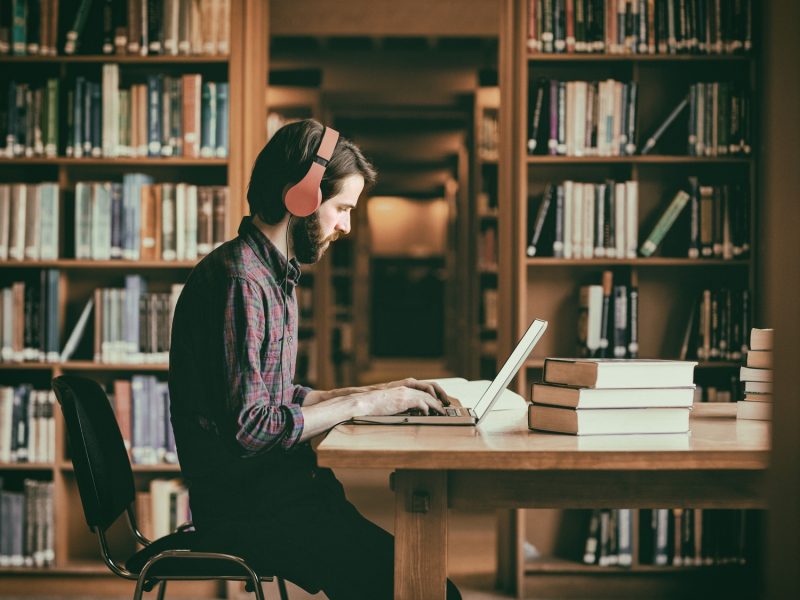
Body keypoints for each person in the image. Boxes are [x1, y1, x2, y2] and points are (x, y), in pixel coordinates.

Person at [168, 119, 462, 599]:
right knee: (428, 590)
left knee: (419, 583)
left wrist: (383, 393)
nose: (345, 225)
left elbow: (281, 398)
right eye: (342, 208)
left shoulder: (271, 275)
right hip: (252, 508)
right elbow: (252, 427)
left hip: (283, 492)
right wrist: (361, 407)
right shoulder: (240, 281)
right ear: (301, 198)